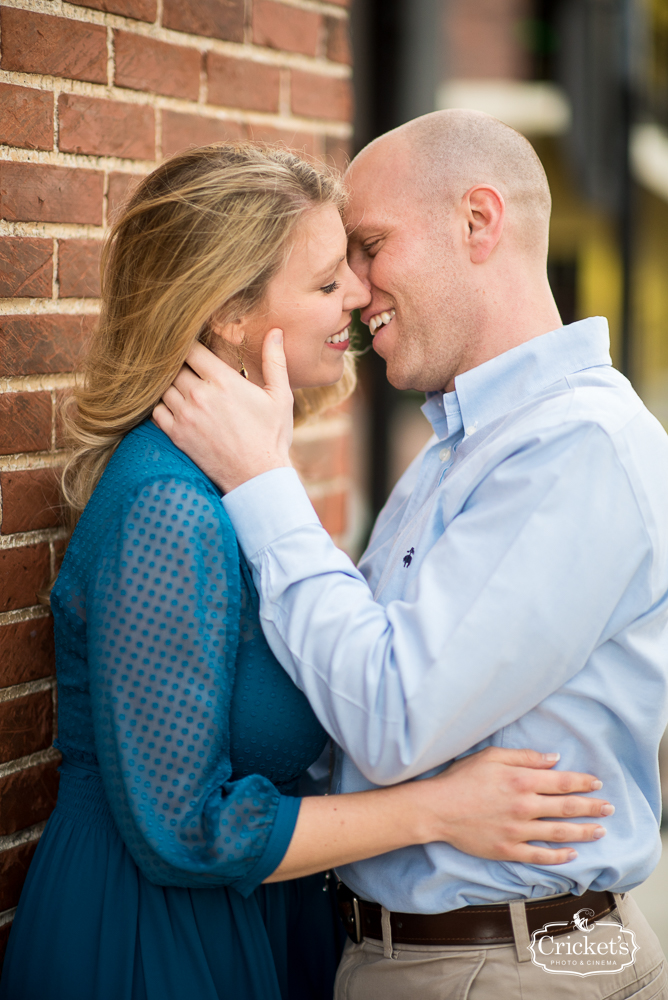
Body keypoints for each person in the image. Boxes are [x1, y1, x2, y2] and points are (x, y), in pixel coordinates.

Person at [0, 143, 610, 1000]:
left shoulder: (243, 485)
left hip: (256, 924)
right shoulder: (167, 505)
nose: (358, 295)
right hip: (157, 946)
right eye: (328, 282)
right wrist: (438, 810)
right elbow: (184, 829)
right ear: (229, 318)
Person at [153, 113, 668, 1000]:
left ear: (479, 221)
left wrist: (262, 482)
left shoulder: (577, 450)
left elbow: (392, 716)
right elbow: (345, 695)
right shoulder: (461, 447)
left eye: (369, 246)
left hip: (504, 970)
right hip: (431, 958)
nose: (353, 290)